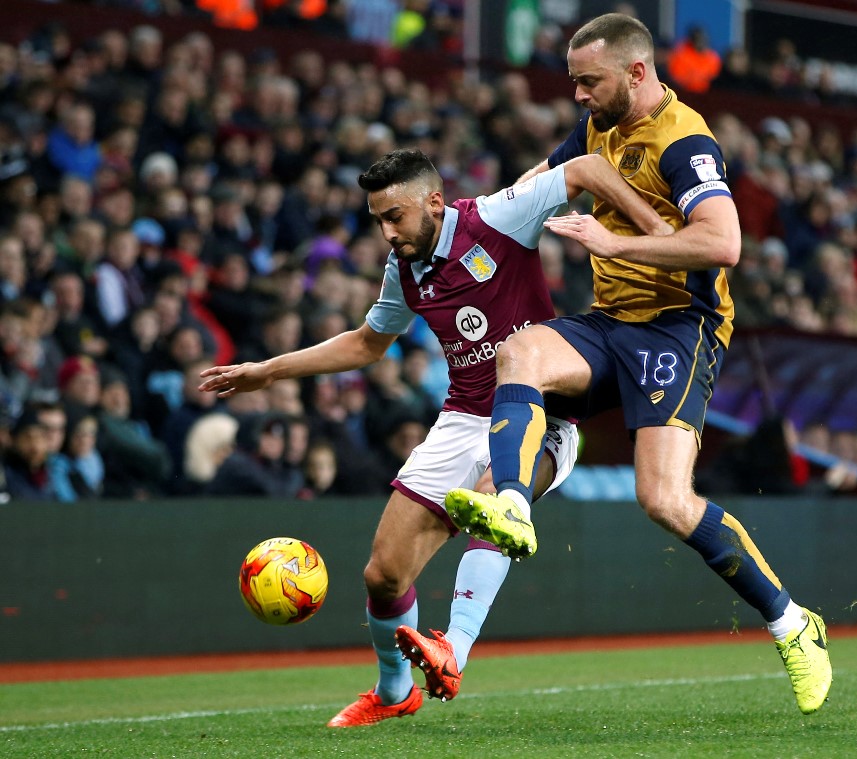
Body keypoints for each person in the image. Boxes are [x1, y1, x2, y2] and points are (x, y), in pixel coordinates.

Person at [198, 147, 669, 728]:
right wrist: (264, 371)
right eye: (377, 219)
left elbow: (590, 168)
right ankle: (394, 691)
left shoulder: (497, 217)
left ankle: (456, 647)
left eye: (395, 216)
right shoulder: (404, 268)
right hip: (462, 417)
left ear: (435, 202)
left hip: (542, 413)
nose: (386, 231)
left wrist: (653, 236)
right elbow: (367, 344)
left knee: (500, 503)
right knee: (383, 575)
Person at [443, 13, 833, 716]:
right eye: (572, 83)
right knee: (520, 352)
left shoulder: (684, 140)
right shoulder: (598, 127)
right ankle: (511, 503)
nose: (577, 96)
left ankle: (792, 622)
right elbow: (539, 184)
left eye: (588, 82)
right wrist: (464, 224)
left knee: (664, 500)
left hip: (680, 329)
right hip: (609, 323)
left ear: (636, 73)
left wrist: (615, 246)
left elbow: (723, 244)